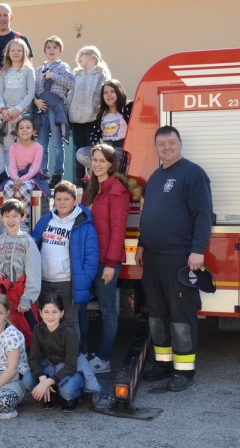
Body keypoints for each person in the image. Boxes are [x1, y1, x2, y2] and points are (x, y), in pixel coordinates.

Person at [136, 126, 212, 392]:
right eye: (161, 143)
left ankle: (184, 370)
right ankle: (164, 364)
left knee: (180, 315)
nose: (166, 147)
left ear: (180, 144)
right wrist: (142, 244)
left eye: (171, 142)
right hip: (153, 258)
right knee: (157, 315)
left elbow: (203, 214)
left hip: (180, 257)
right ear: (155, 147)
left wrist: (198, 249)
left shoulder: (193, 174)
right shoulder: (156, 177)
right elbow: (150, 215)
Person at [79, 143, 140, 373]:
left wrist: (111, 265)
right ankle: (83, 352)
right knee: (81, 305)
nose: (97, 164)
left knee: (106, 309)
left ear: (111, 164)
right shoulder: (91, 188)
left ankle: (103, 360)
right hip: (88, 259)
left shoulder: (117, 190)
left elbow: (118, 231)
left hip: (106, 260)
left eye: (102, 161)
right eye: (94, 160)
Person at [32, 181, 99, 341]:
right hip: (44, 282)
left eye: (66, 199)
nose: (62, 203)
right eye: (59, 199)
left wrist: (83, 280)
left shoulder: (84, 226)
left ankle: (72, 360)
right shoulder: (45, 221)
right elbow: (33, 247)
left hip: (67, 283)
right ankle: (49, 360)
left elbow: (91, 258)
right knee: (45, 322)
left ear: (75, 201)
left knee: (69, 323)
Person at [23, 293, 113, 412]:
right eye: (46, 312)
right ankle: (53, 393)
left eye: (55, 312)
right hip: (51, 365)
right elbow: (33, 358)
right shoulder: (38, 330)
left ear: (62, 313)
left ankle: (73, 396)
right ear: (40, 313)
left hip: (70, 368)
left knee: (68, 391)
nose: (50, 316)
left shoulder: (69, 333)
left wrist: (46, 383)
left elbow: (70, 366)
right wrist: (42, 378)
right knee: (27, 380)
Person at [0, 198, 41, 347]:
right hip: (3, 297)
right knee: (3, 332)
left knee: (26, 333)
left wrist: (28, 298)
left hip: (20, 296)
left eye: (15, 216)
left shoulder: (28, 242)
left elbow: (34, 272)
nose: (11, 220)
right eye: (7, 216)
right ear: (2, 218)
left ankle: (29, 364)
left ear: (22, 217)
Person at [33, 36, 75, 189]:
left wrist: (54, 76)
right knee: (42, 144)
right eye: (49, 47)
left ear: (60, 51)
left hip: (55, 108)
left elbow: (72, 83)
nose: (51, 50)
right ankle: (43, 172)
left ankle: (58, 173)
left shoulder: (62, 67)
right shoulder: (38, 70)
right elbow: (35, 89)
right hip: (42, 108)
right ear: (44, 51)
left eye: (55, 47)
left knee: (57, 144)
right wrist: (36, 101)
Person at [68, 46, 110, 185]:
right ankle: (80, 180)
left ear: (92, 56)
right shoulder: (76, 74)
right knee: (78, 148)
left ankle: (93, 179)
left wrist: (94, 110)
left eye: (82, 54)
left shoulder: (100, 74)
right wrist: (68, 109)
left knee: (91, 148)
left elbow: (99, 93)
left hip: (92, 118)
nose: (78, 58)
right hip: (76, 117)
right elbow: (70, 93)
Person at [76, 79, 130, 172]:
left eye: (113, 91)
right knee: (81, 153)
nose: (109, 95)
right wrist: (97, 153)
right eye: (105, 93)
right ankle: (103, 172)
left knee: (112, 157)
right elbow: (94, 137)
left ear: (119, 92)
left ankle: (109, 172)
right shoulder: (101, 115)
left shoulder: (127, 109)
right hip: (105, 150)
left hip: (122, 151)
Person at [2, 117, 45, 232]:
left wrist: (23, 179)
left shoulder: (38, 147)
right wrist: (16, 178)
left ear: (34, 131)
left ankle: (24, 223)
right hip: (16, 175)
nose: (24, 130)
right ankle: (7, 221)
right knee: (8, 187)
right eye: (21, 128)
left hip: (31, 176)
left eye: (28, 128)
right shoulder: (13, 147)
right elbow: (11, 166)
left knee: (25, 189)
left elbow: (35, 168)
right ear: (17, 132)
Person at [0, 39, 36, 161]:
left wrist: (18, 109)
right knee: (7, 146)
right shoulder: (4, 71)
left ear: (24, 53)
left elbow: (31, 93)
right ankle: (10, 175)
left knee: (22, 143)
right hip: (7, 115)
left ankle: (22, 173)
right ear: (8, 53)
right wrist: (3, 110)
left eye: (19, 50)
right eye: (13, 50)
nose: (16, 53)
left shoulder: (28, 70)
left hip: (22, 114)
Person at [0, 3, 33, 68]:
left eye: (5, 15)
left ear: (11, 17)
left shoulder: (21, 39)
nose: (2, 19)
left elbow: (29, 66)